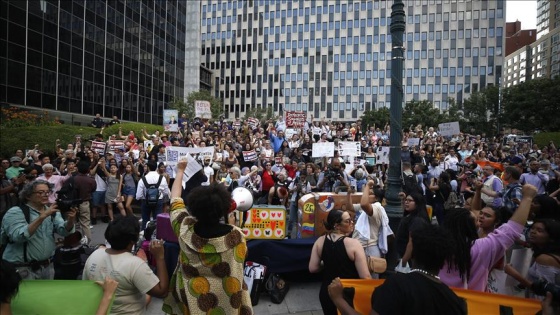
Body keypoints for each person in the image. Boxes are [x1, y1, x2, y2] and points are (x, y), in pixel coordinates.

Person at [162, 159, 253, 314]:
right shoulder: (237, 236)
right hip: (227, 302)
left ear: (194, 208)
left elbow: (175, 200)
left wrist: (180, 171)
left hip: (191, 301)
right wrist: (233, 225)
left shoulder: (184, 227)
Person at [328, 224, 467, 315]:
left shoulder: (396, 286)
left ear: (413, 252)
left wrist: (338, 299)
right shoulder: (455, 301)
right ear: (443, 260)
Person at [439, 183, 538, 291]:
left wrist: (478, 190)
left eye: (487, 216)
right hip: (471, 301)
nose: (480, 218)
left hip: (442, 297)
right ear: (472, 227)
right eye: (477, 218)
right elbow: (511, 230)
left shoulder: (437, 245)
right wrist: (527, 198)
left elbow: (475, 209)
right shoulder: (480, 248)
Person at [82, 215, 168, 314]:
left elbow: (86, 287)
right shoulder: (135, 264)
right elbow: (162, 292)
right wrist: (159, 257)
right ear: (133, 240)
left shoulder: (95, 255)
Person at [1, 180, 76, 279]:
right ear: (28, 196)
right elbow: (18, 236)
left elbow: (63, 231)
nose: (45, 195)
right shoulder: (15, 212)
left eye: (47, 192)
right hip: (22, 268)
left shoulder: (51, 211)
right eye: (40, 192)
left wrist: (70, 220)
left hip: (47, 266)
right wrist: (42, 216)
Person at [309, 209, 371, 315]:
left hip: (327, 292)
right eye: (347, 221)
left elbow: (313, 268)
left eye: (352, 220)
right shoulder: (354, 244)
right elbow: (365, 277)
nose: (352, 223)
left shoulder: (320, 241)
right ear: (337, 226)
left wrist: (327, 263)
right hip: (349, 294)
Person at [135, 161, 169, 230]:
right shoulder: (162, 178)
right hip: (158, 201)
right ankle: (157, 237)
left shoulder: (143, 179)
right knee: (157, 221)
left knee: (145, 221)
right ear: (157, 167)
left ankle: (145, 237)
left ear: (148, 168)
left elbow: (138, 196)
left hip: (145, 201)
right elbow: (166, 192)